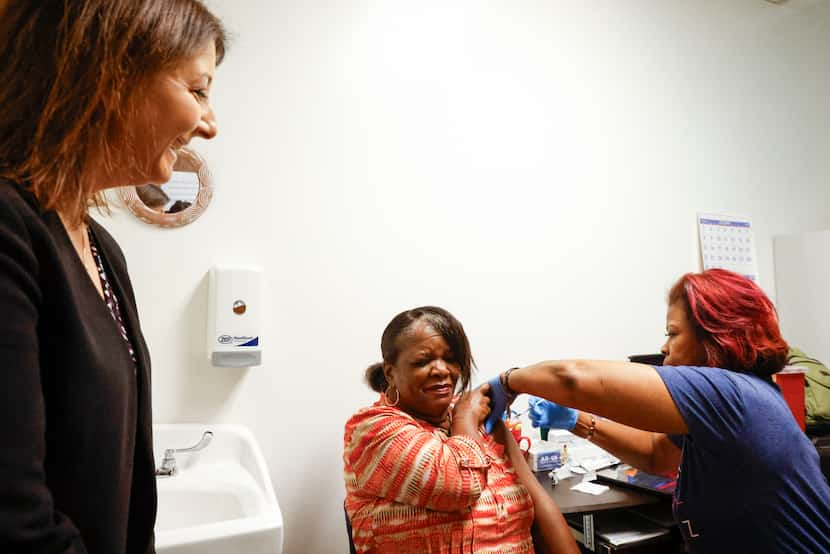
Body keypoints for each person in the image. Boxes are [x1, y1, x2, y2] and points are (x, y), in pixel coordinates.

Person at [0, 1, 226, 552]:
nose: (210, 124)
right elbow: (14, 519)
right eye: (197, 90)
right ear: (108, 72)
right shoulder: (10, 228)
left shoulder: (101, 249)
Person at [486, 269, 830, 553]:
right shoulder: (734, 404)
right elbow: (657, 454)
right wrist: (577, 421)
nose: (664, 347)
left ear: (715, 338)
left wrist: (508, 381)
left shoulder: (731, 394)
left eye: (673, 333)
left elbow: (574, 379)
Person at [344, 306, 577, 553]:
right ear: (390, 372)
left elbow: (539, 504)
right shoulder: (372, 430)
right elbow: (460, 487)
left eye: (451, 359)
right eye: (423, 361)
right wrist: (465, 418)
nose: (442, 370)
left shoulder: (476, 415)